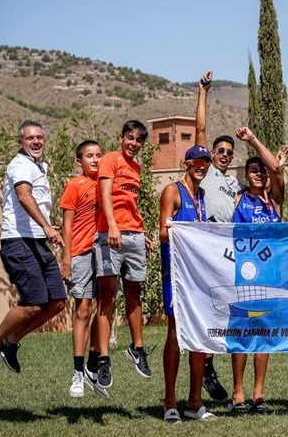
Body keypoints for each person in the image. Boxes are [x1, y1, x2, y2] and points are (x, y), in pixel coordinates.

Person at [0, 119, 66, 377]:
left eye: (39, 137)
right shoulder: (20, 165)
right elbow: (24, 196)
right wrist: (48, 228)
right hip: (19, 242)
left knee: (58, 301)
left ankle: (11, 342)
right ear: (21, 142)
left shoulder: (38, 167)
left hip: (37, 241)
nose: (36, 141)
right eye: (30, 138)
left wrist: (50, 226)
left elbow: (34, 202)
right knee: (34, 303)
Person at [226, 126, 288, 415]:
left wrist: (253, 139)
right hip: (241, 277)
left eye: (261, 170)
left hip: (270, 278)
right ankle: (238, 394)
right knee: (241, 333)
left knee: (263, 333)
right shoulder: (238, 199)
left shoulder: (275, 200)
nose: (258, 174)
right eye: (253, 170)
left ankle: (258, 394)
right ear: (245, 174)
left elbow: (276, 169)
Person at [159, 145, 217, 423]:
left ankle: (195, 402)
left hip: (197, 276)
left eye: (205, 162)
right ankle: (170, 402)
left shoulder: (202, 195)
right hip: (176, 274)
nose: (201, 165)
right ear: (186, 163)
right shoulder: (173, 191)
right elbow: (162, 231)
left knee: (199, 335)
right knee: (175, 332)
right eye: (196, 160)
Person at [93, 120, 151, 392]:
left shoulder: (137, 168)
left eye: (138, 140)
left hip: (134, 236)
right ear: (121, 138)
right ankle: (103, 359)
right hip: (110, 235)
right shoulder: (110, 160)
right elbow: (105, 195)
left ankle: (137, 349)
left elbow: (131, 205)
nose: (134, 144)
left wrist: (140, 233)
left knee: (134, 295)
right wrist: (113, 225)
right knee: (107, 298)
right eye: (130, 138)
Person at [193, 70, 235, 401]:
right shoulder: (204, 173)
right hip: (204, 247)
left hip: (228, 250)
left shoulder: (234, 183)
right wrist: (203, 93)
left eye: (227, 152)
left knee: (223, 312)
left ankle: (209, 366)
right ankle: (204, 367)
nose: (222, 155)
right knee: (207, 309)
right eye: (218, 151)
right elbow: (200, 130)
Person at [59, 140, 107, 398]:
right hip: (80, 254)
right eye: (90, 156)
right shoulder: (74, 185)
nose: (96, 160)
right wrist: (66, 259)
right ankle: (78, 372)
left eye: (99, 155)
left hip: (106, 253)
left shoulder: (107, 183)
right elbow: (66, 226)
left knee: (104, 310)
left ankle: (93, 364)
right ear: (80, 161)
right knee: (84, 310)